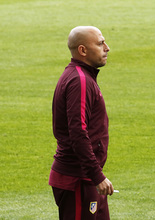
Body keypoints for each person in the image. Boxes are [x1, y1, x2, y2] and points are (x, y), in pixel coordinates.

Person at [49, 26, 114, 220]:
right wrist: (97, 176)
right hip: (78, 179)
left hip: (87, 179)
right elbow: (77, 132)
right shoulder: (80, 81)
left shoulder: (81, 76)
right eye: (100, 43)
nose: (107, 48)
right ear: (83, 50)